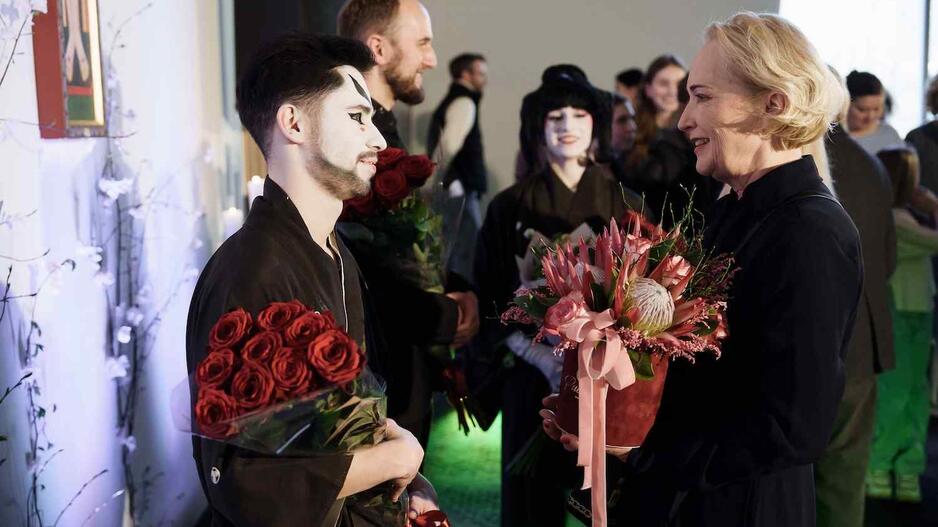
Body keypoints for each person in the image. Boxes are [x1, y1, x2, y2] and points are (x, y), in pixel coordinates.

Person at [542, 12, 862, 526]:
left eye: (702, 97)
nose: (683, 119)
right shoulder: (737, 208)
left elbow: (793, 427)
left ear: (772, 104)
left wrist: (641, 453)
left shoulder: (810, 231)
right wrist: (604, 407)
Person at [186, 33, 437, 526]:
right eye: (357, 117)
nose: (378, 140)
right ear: (294, 123)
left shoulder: (334, 251)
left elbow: (341, 422)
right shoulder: (252, 272)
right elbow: (241, 481)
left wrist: (405, 479)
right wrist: (392, 460)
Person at [473, 65, 644, 527]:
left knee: (608, 500)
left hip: (606, 376)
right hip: (531, 371)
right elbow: (488, 290)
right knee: (531, 503)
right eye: (554, 117)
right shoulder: (508, 206)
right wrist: (532, 346)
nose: (567, 125)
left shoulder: (627, 204)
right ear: (537, 127)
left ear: (596, 125)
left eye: (579, 115)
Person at [337, 0, 480, 446]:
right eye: (422, 43)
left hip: (406, 364)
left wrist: (456, 288)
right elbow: (362, 269)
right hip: (380, 375)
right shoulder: (350, 145)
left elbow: (407, 248)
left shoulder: (386, 129)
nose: (432, 59)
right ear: (378, 49)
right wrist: (445, 314)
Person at [814, 120, 896, 526]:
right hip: (863, 340)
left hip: (813, 341)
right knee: (845, 480)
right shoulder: (872, 165)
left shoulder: (794, 163)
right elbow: (889, 257)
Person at [867, 147, 937, 503]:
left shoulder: (901, 217)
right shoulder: (893, 220)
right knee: (898, 392)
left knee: (914, 393)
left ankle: (904, 465)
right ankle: (882, 465)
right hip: (901, 308)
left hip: (917, 308)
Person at [426, 52, 488, 281]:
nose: (484, 80)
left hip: (455, 184)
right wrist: (434, 181)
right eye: (480, 74)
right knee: (464, 250)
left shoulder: (456, 100)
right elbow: (448, 147)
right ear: (465, 74)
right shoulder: (464, 102)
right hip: (459, 187)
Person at [845, 70, 903, 155]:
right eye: (862, 110)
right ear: (845, 104)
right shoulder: (832, 137)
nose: (870, 116)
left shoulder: (890, 136)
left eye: (876, 109)